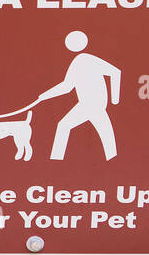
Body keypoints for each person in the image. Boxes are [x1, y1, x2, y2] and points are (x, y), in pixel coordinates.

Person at [38, 30, 120, 161]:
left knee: (64, 126)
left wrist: (115, 99)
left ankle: (56, 159)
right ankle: (113, 158)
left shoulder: (84, 59)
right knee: (105, 133)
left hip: (91, 105)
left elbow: (116, 72)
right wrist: (44, 96)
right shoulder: (79, 61)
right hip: (90, 104)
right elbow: (67, 87)